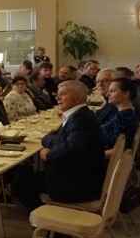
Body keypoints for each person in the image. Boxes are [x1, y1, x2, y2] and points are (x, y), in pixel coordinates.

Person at [13, 81, 106, 214]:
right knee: (21, 173)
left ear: (78, 98)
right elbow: (53, 138)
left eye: (63, 94)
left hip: (76, 184)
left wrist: (48, 155)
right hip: (79, 175)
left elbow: (72, 146)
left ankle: (49, 219)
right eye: (58, 94)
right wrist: (53, 140)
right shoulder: (80, 114)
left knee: (20, 184)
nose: (57, 97)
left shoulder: (80, 119)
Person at [101, 77, 140, 155]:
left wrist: (94, 155)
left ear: (126, 94)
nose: (107, 94)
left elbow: (121, 149)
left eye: (112, 91)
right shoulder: (129, 112)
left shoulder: (123, 117)